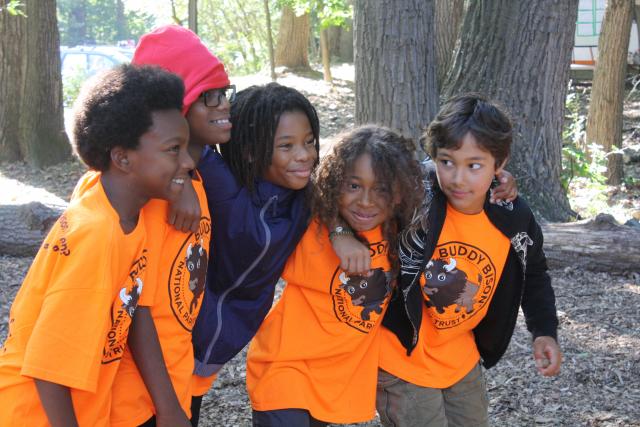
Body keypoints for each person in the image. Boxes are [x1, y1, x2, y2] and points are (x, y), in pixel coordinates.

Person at [0, 64, 193, 427]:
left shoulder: (124, 212)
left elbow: (135, 308)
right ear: (122, 158)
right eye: (173, 149)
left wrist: (168, 409)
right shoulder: (96, 235)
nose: (188, 161)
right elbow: (48, 370)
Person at [377, 93, 562, 427]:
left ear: (500, 163)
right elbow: (355, 194)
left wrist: (544, 330)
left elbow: (534, 271)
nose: (458, 178)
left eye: (474, 165)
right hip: (402, 358)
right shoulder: (415, 199)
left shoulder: (512, 217)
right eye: (447, 162)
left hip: (461, 358)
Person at [246, 125, 425, 426]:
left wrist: (501, 180)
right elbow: (299, 188)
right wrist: (338, 231)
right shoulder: (312, 225)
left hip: (337, 381)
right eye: (353, 186)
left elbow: (450, 179)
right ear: (335, 183)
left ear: (398, 193)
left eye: (380, 188)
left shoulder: (396, 230)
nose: (366, 201)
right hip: (285, 369)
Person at [105, 25, 234, 427]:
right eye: (208, 96)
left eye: (225, 92)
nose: (223, 105)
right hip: (135, 396)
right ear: (175, 108)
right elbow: (134, 307)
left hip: (179, 377)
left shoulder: (197, 178)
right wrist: (166, 406)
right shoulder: (143, 196)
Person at [190, 82, 320, 424]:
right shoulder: (225, 187)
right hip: (179, 334)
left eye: (309, 142)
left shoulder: (305, 197)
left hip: (226, 337)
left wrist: (340, 231)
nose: (304, 155)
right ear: (249, 152)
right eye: (286, 146)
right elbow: (184, 137)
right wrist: (177, 187)